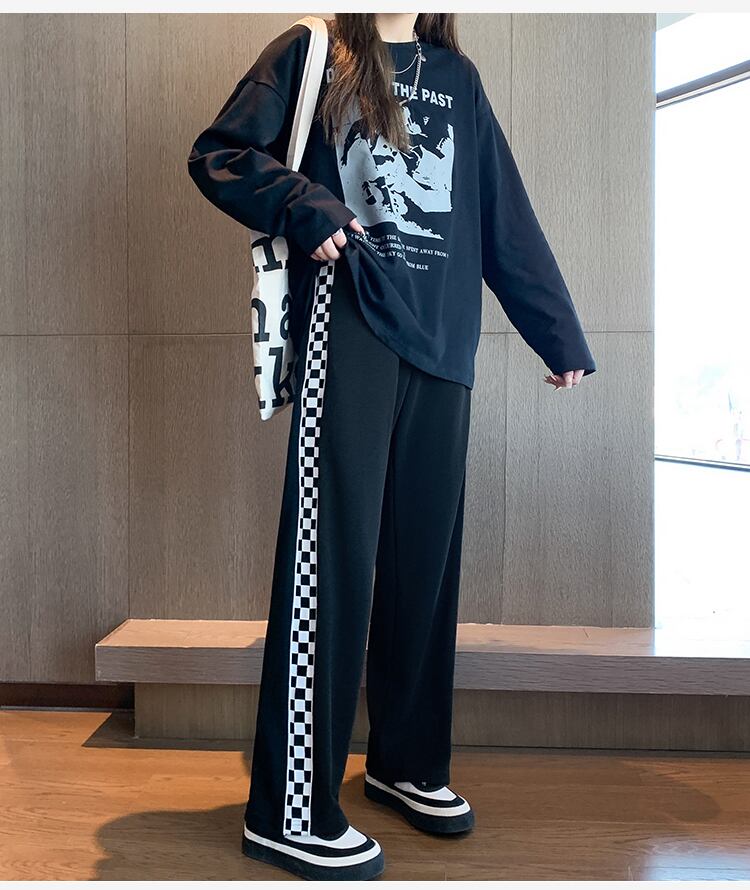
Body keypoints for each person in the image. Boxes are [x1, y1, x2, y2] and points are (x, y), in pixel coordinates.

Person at [187, 12, 596, 881]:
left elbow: (502, 216)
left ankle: (405, 763)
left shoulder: (458, 78)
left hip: (445, 344)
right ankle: (290, 810)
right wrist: (306, 205)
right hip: (350, 326)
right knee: (329, 564)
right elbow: (220, 153)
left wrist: (556, 332)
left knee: (425, 569)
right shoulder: (313, 48)